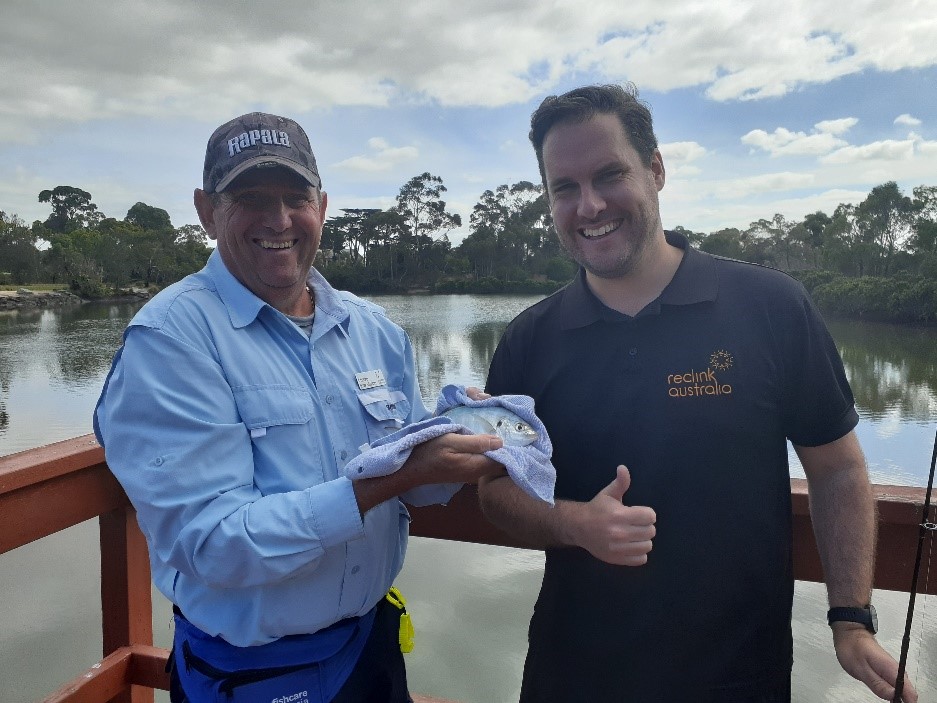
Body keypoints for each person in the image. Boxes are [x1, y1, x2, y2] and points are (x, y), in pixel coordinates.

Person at [476, 84, 917, 702]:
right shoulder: (529, 339)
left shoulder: (771, 308)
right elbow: (495, 491)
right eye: (565, 187)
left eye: (610, 175)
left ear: (656, 170)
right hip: (572, 673)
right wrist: (576, 523)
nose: (590, 204)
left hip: (736, 677)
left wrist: (851, 618)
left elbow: (838, 468)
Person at [93, 112, 504, 703]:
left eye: (295, 198)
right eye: (250, 199)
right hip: (252, 674)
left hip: (371, 648)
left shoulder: (372, 329)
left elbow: (418, 484)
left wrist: (463, 434)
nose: (279, 220)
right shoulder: (171, 341)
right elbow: (213, 543)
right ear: (207, 210)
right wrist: (393, 477)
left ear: (323, 206)